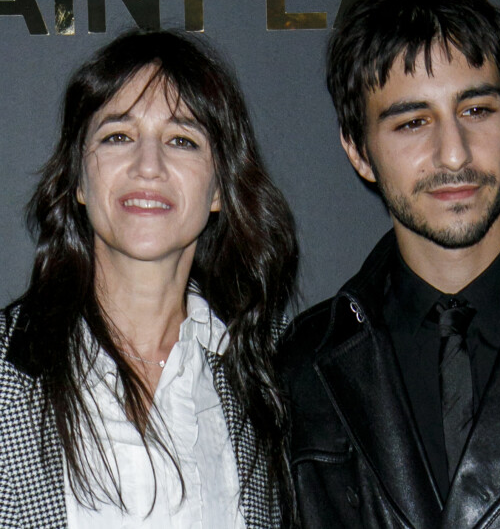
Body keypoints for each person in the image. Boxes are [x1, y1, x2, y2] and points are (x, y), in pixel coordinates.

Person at [278, 0, 500, 528]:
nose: (454, 154)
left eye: (476, 110)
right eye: (413, 122)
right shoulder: (301, 371)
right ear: (359, 151)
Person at [0, 29, 298, 528]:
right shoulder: (7, 375)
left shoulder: (269, 377)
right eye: (119, 136)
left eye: (182, 140)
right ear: (78, 178)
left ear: (220, 189)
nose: (148, 166)